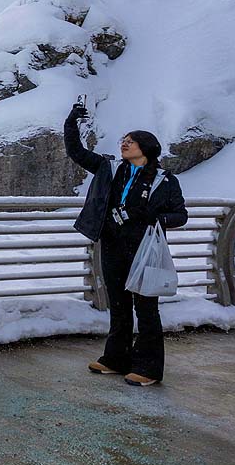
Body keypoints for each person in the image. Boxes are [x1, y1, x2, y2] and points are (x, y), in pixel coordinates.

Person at [64, 102, 187, 387]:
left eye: (130, 142)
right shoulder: (110, 169)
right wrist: (72, 123)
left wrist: (154, 218)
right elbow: (76, 152)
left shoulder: (165, 181)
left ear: (146, 148)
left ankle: (149, 368)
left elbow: (180, 215)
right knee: (118, 305)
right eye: (124, 141)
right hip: (112, 246)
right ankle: (116, 359)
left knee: (146, 309)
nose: (124, 145)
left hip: (144, 250)